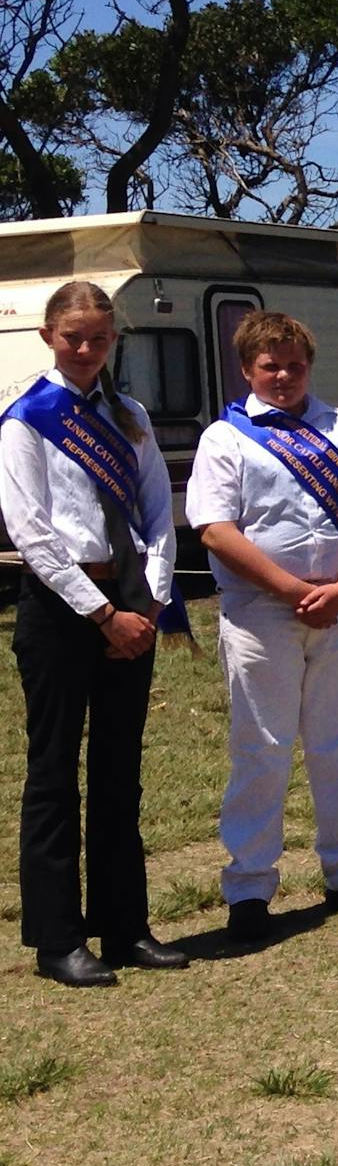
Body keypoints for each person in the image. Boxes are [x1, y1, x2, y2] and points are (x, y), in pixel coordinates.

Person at [187, 312, 338, 940]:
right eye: (270, 366)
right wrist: (290, 589)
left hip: (336, 609)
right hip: (262, 614)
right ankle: (250, 890)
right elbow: (214, 528)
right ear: (247, 369)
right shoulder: (224, 438)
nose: (284, 376)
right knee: (262, 749)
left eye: (294, 365)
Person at [0, 282, 185, 986]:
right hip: (59, 608)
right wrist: (101, 614)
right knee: (53, 775)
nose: (85, 349)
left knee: (119, 771)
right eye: (73, 336)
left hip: (128, 598)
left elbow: (156, 515)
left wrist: (151, 600)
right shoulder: (25, 418)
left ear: (114, 340)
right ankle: (57, 940)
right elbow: (31, 532)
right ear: (49, 335)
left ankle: (125, 926)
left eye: (98, 338)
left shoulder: (129, 414)